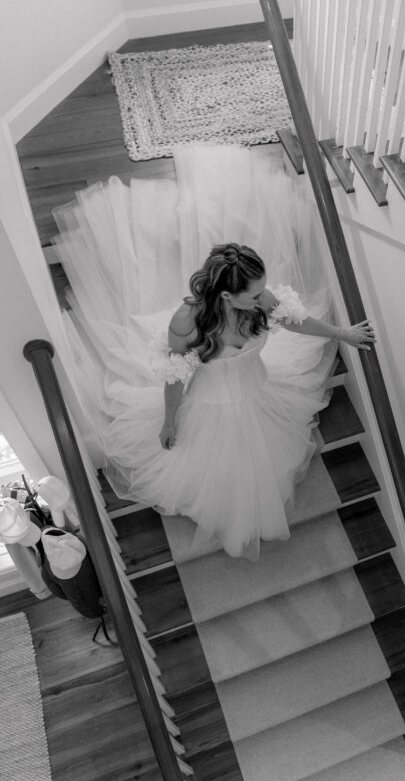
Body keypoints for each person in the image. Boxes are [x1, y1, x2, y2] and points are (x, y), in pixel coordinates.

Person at [54, 144, 374, 558]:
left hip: (260, 390)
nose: (265, 297)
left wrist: (341, 332)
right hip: (209, 405)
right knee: (222, 477)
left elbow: (294, 319)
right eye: (255, 292)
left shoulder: (260, 302)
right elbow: (176, 377)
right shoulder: (186, 324)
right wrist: (170, 420)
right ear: (226, 295)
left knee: (263, 464)